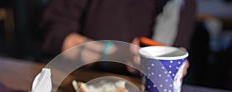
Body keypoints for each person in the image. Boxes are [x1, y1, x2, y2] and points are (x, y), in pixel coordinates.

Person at [39, 0, 196, 75]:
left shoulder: (177, 4)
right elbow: (56, 37)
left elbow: (176, 49)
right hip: (75, 83)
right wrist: (116, 54)